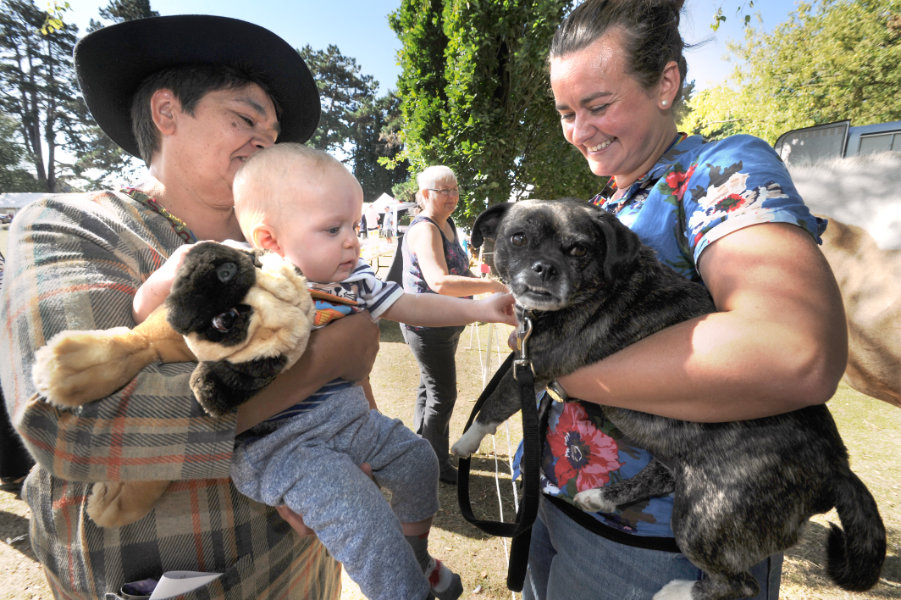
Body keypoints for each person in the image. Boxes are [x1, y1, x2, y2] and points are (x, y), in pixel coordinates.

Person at [0, 15, 382, 600]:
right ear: (167, 113)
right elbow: (73, 423)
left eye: (273, 131)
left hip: (305, 566)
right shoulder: (71, 226)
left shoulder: (281, 248)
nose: (264, 140)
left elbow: (350, 395)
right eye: (244, 117)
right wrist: (326, 360)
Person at [518, 1, 849, 599]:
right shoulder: (604, 208)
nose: (578, 130)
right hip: (560, 509)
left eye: (598, 105)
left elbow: (793, 350)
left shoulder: (717, 171)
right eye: (566, 111)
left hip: (663, 545)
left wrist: (566, 373)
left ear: (666, 83)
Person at [133, 143, 516, 600]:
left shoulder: (353, 279)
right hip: (282, 445)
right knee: (367, 525)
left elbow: (413, 303)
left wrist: (483, 308)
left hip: (350, 419)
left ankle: (416, 553)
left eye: (353, 225)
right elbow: (147, 314)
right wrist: (172, 272)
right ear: (270, 240)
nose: (352, 239)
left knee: (419, 460)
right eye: (333, 228)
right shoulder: (244, 277)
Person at [401, 166, 511, 485]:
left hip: (447, 322)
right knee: (443, 395)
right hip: (427, 325)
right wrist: (489, 286)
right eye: (443, 191)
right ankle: (434, 463)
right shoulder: (425, 229)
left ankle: (420, 453)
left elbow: (457, 269)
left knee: (429, 390)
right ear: (424, 195)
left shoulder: (446, 223)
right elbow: (438, 281)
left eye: (455, 190)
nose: (452, 197)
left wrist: (484, 282)